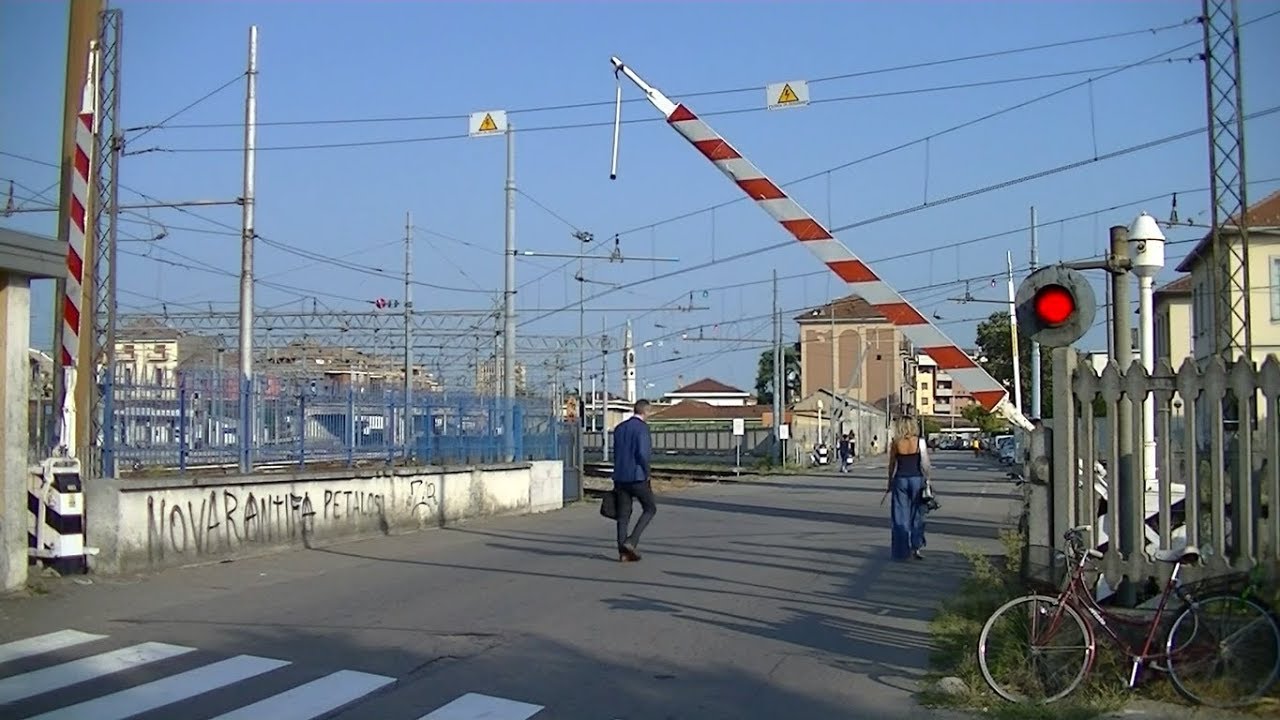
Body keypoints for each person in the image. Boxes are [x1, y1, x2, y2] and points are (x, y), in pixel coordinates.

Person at [611, 399, 657, 562]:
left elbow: (616, 452)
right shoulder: (642, 429)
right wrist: (647, 472)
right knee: (650, 508)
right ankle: (632, 541)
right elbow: (643, 453)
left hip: (620, 477)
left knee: (623, 515)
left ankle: (622, 552)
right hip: (637, 477)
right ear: (646, 411)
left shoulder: (619, 428)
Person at [887, 416, 931, 561]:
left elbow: (892, 464)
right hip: (917, 479)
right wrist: (928, 480)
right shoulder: (920, 442)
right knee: (917, 514)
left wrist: (889, 482)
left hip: (900, 479)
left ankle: (901, 552)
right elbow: (925, 463)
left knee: (900, 516)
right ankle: (916, 547)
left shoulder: (896, 442)